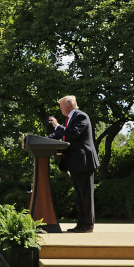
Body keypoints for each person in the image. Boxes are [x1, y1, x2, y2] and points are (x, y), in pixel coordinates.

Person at [48, 95, 99, 233]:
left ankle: (88, 225)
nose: (60, 108)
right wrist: (42, 139)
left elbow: (74, 133)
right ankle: (81, 224)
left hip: (84, 162)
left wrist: (57, 126)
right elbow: (63, 135)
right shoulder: (70, 118)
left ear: (69, 104)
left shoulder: (81, 116)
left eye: (61, 105)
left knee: (85, 195)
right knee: (79, 195)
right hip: (75, 162)